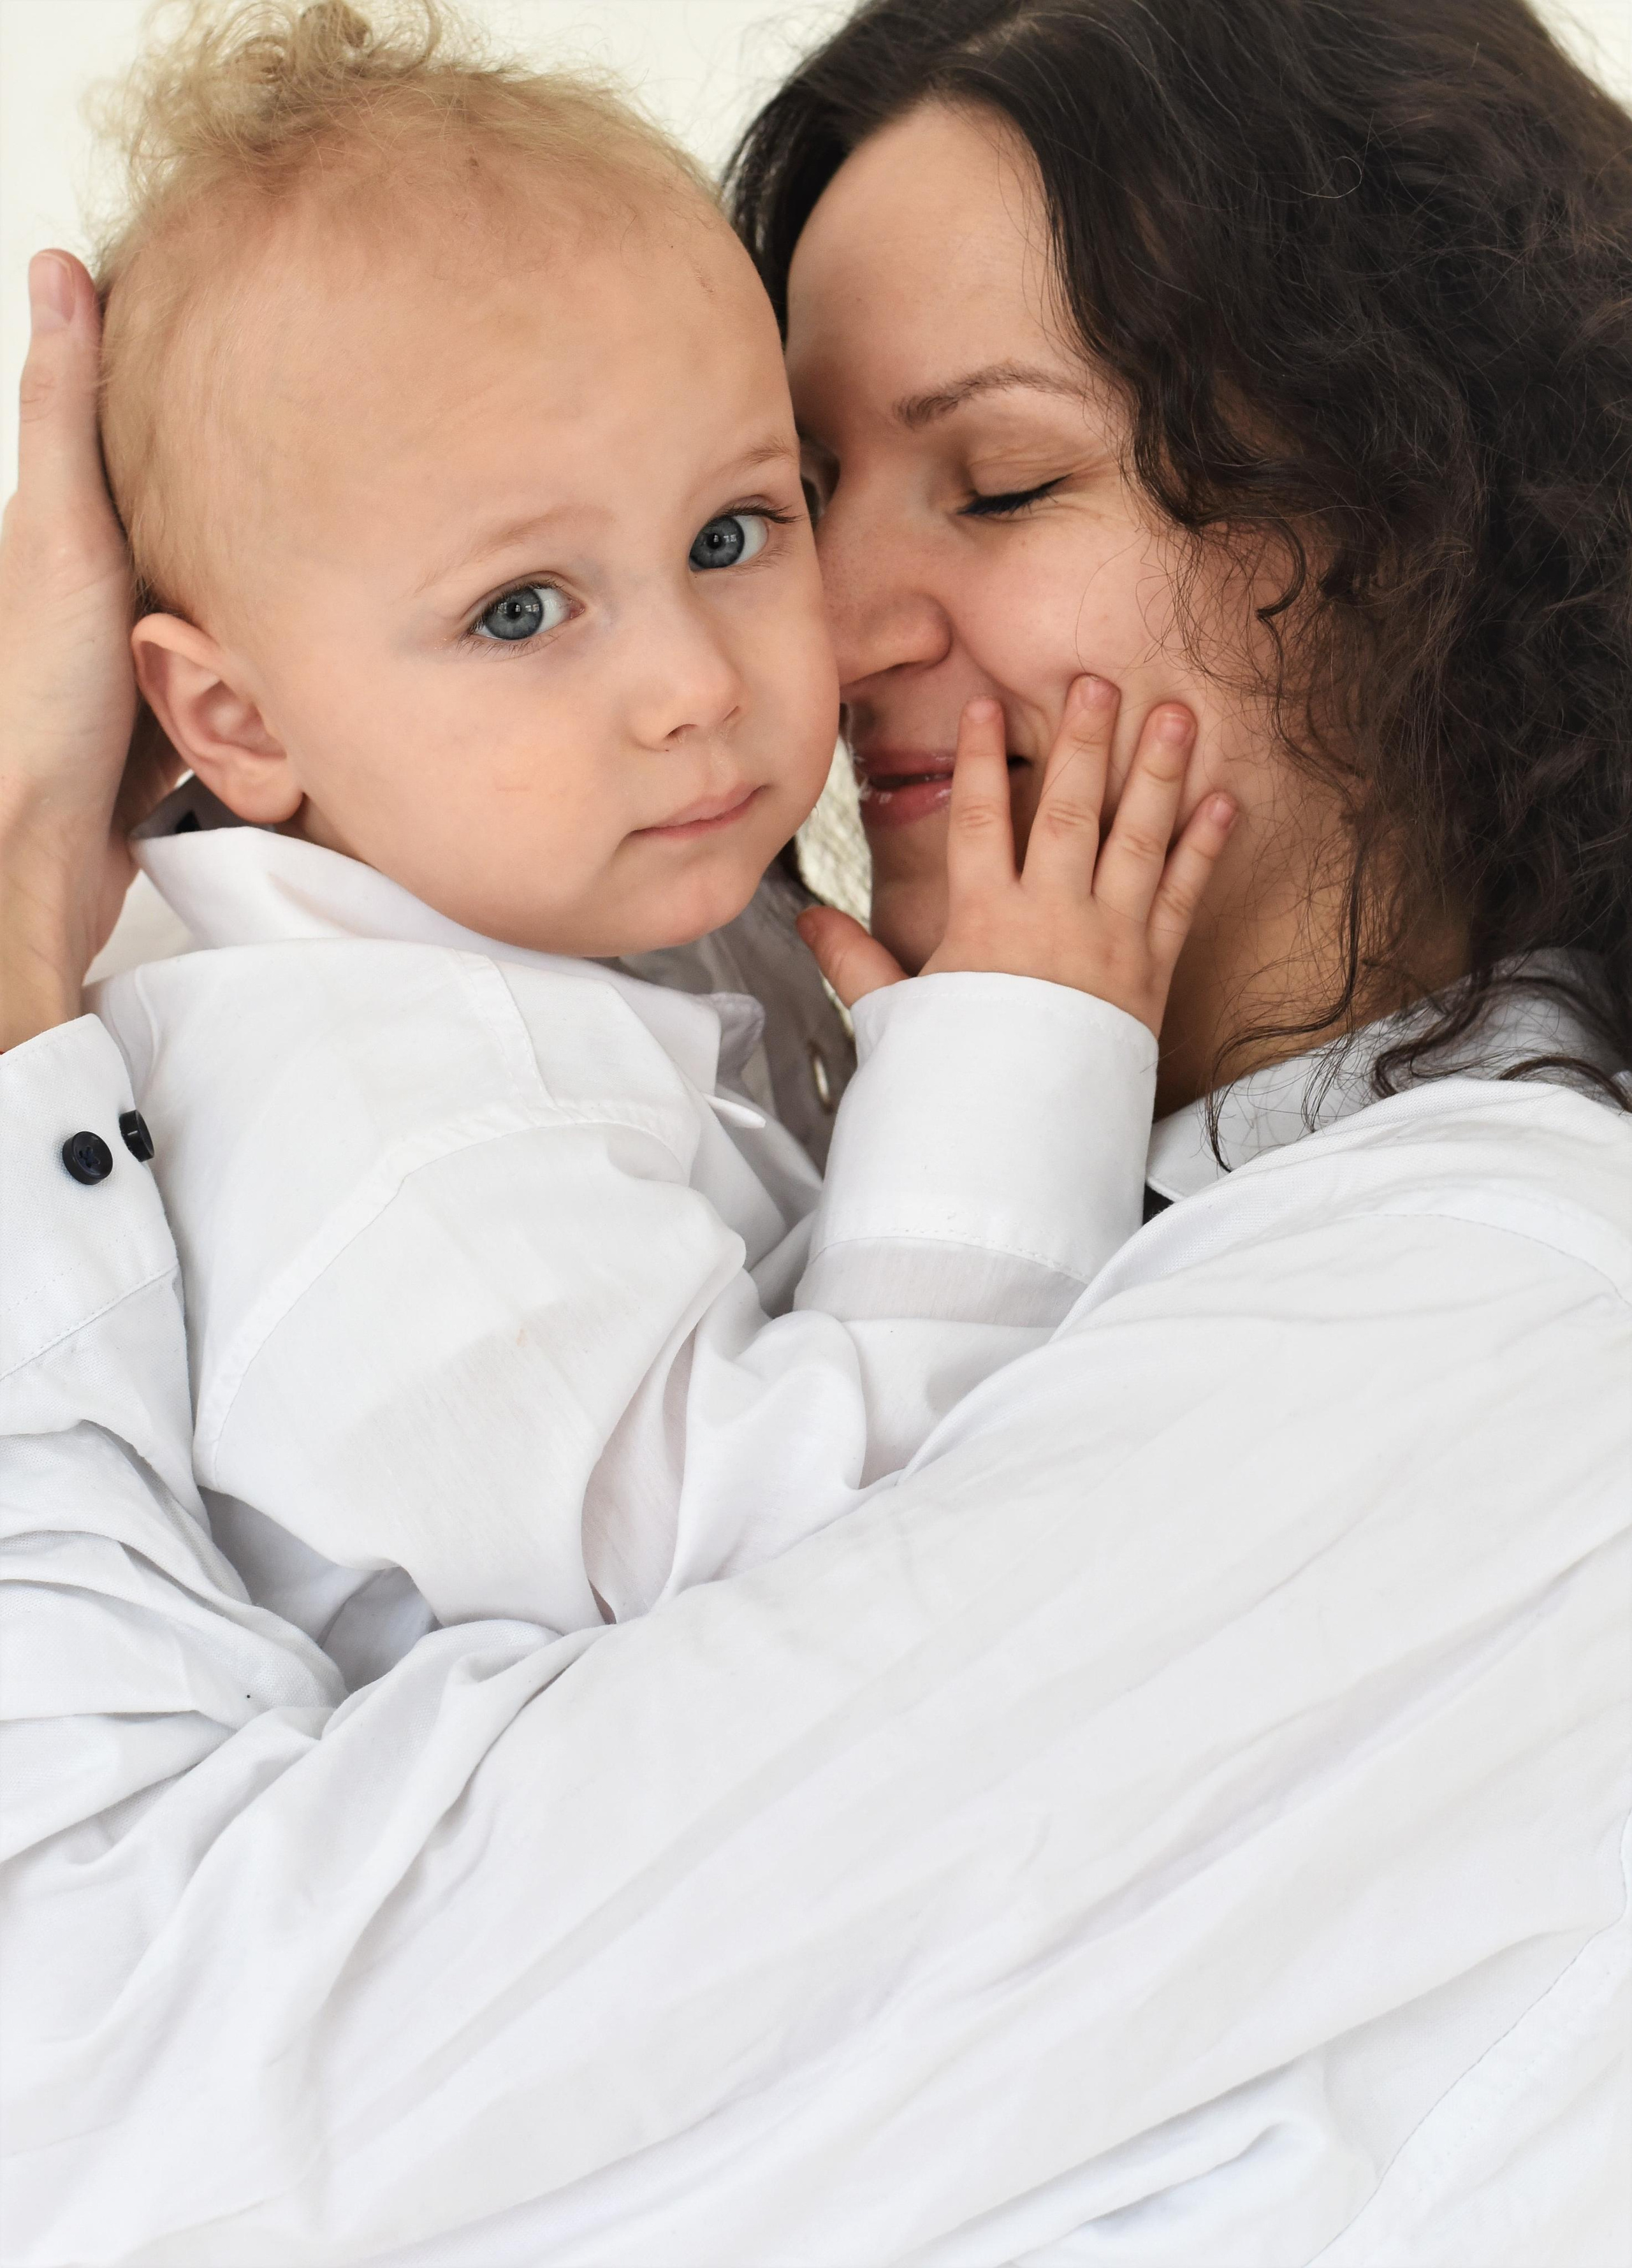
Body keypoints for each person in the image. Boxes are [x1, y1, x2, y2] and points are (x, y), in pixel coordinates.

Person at [1, 0, 1627, 2260]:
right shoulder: (484, 1068)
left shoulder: (1501, 1332)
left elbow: (119, 2117)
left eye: (1002, 480)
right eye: (814, 487)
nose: (819, 638)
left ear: (1415, 508)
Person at [69, 0, 1230, 1654]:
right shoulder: (392, 1147)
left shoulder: (554, 900)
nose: (698, 682)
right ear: (239, 723)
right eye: (524, 609)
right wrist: (1023, 1049)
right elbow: (846, 1574)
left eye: (738, 528)